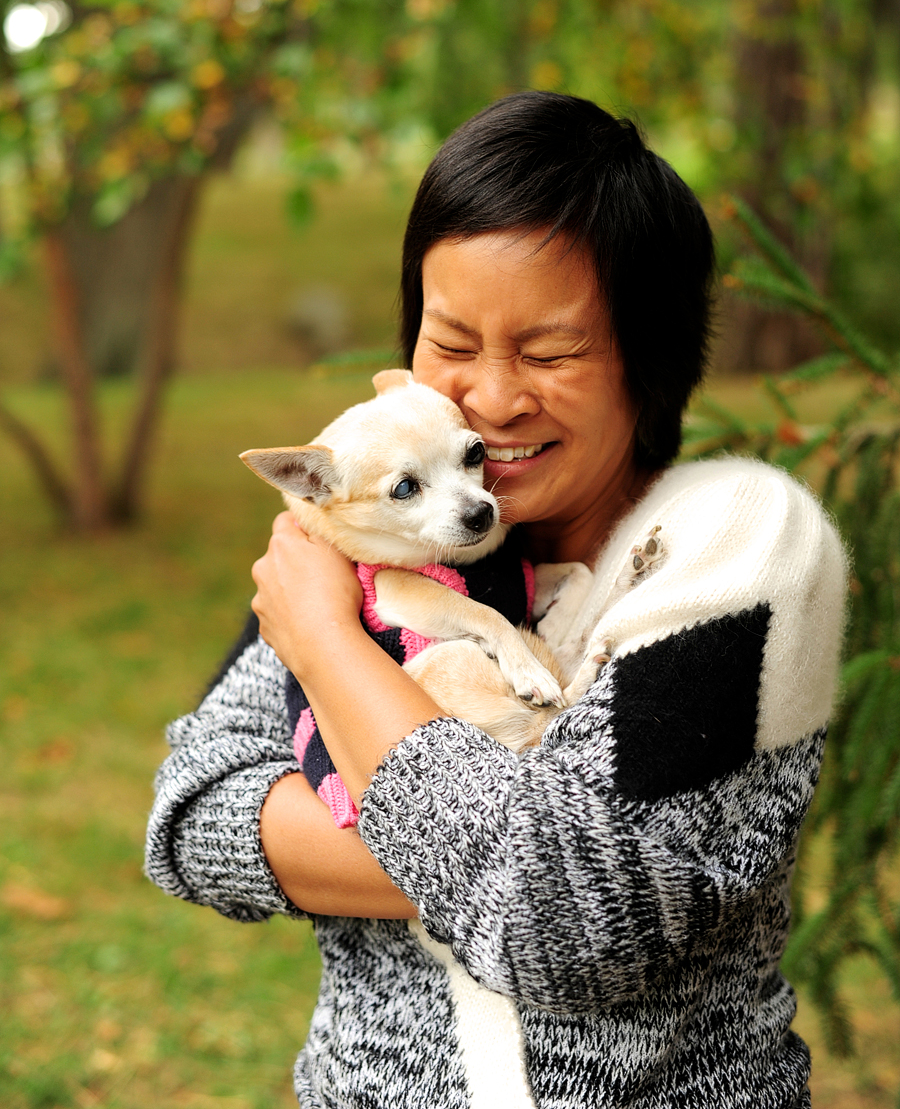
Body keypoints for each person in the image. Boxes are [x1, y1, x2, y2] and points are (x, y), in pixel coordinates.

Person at [145, 91, 846, 1109]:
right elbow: (192, 816)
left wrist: (330, 649)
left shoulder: (735, 547)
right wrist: (504, 839)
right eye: (452, 342)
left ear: (649, 361)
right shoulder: (380, 532)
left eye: (552, 352)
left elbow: (565, 917)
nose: (492, 398)